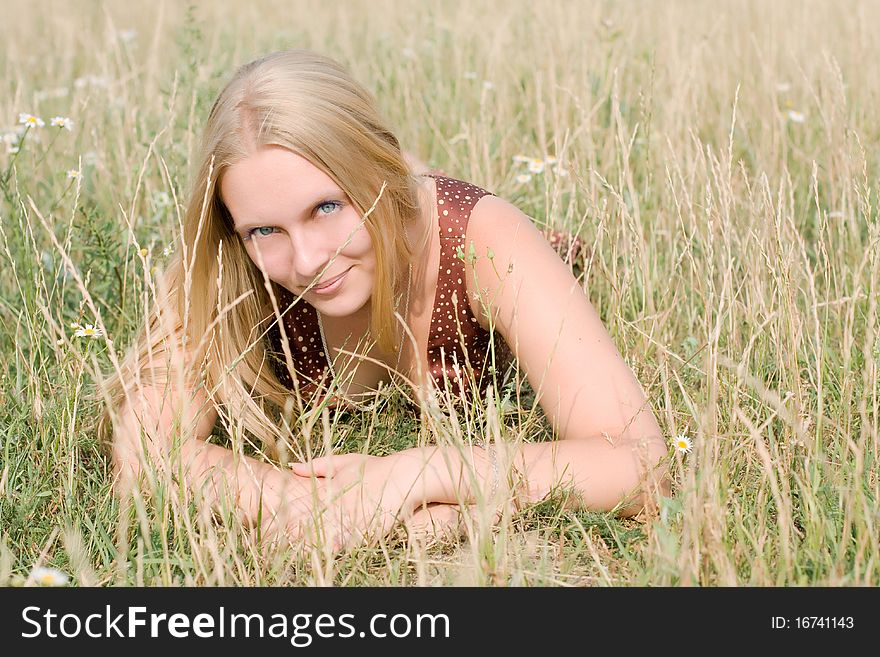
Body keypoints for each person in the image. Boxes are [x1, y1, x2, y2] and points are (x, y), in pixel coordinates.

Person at [97, 49, 670, 551]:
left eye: (326, 207)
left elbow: (642, 464)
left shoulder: (484, 240)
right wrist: (296, 500)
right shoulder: (230, 257)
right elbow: (145, 448)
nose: (305, 260)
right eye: (265, 230)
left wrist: (417, 473)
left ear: (377, 176)